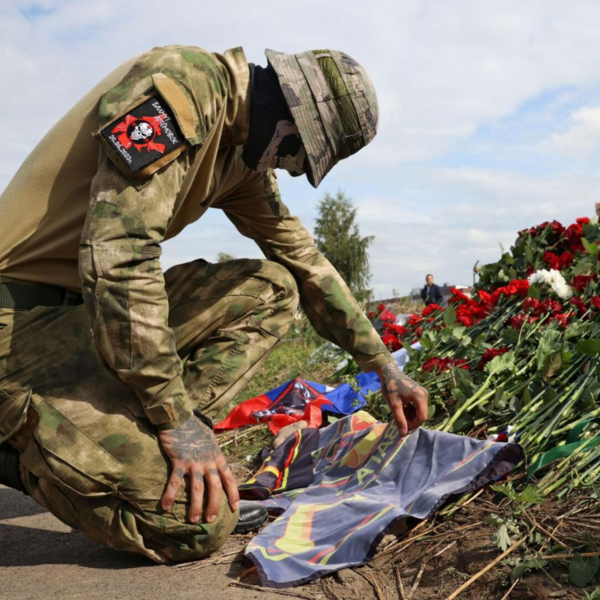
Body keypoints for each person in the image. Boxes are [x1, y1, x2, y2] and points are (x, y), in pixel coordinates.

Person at [0, 45, 429, 563]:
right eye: (300, 160)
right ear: (288, 126)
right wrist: (175, 417)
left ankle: (143, 433)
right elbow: (120, 258)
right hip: (15, 326)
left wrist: (382, 365)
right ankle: (20, 441)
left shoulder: (240, 157)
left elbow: (303, 262)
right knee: (192, 523)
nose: (292, 173)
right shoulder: (181, 89)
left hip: (79, 320)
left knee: (270, 288)